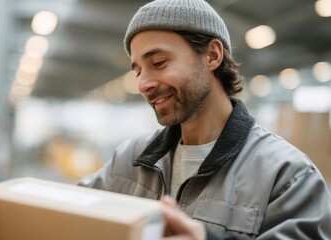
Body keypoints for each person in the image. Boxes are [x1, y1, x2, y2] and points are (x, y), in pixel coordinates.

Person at [78, 0, 331, 239]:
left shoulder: (286, 175)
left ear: (212, 55)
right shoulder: (128, 159)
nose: (143, 84)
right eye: (138, 71)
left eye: (159, 62)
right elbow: (67, 210)